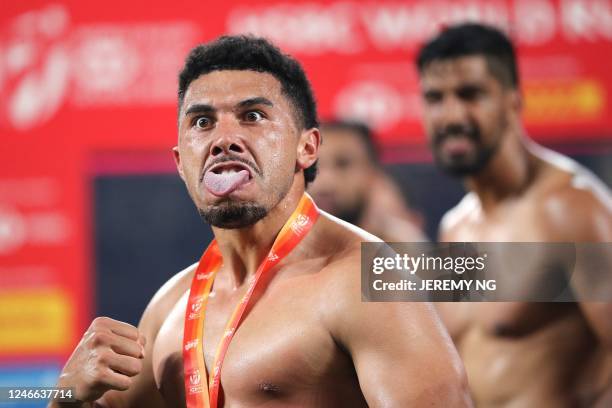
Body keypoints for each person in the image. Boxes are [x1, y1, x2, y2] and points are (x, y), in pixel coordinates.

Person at [51, 36, 470, 407]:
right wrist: (66, 396)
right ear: (181, 162)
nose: (224, 138)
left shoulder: (365, 278)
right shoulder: (170, 305)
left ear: (306, 149)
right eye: (202, 122)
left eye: (252, 116)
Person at [416, 23, 612, 407]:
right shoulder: (456, 226)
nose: (452, 114)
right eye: (435, 98)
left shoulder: (571, 208)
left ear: (513, 101)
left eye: (470, 94)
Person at [308, 120, 426, 242]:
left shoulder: (402, 251)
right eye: (314, 166)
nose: (324, 183)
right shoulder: (291, 252)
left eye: (343, 164)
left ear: (373, 173)